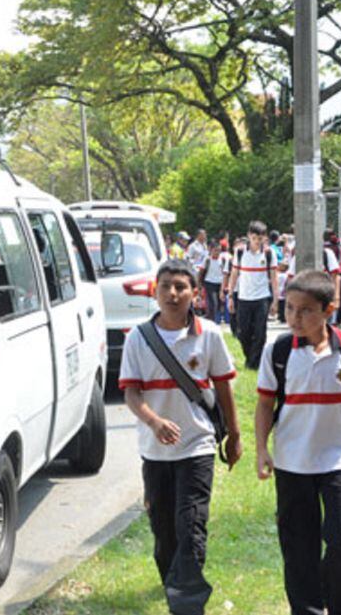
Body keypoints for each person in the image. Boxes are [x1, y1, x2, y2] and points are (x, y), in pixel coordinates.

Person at [119, 258, 241, 615]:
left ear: (195, 293)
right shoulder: (137, 339)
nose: (173, 294)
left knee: (191, 526)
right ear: (154, 292)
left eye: (181, 287)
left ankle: (187, 605)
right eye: (165, 287)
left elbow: (224, 388)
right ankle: (175, 585)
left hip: (197, 446)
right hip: (154, 452)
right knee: (164, 533)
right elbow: (131, 393)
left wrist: (234, 435)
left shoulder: (210, 336)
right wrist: (154, 422)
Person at [256, 270, 341, 615]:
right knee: (299, 546)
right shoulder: (278, 350)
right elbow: (265, 403)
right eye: (289, 308)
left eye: (305, 310)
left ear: (329, 310)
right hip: (291, 459)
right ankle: (307, 609)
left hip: (339, 456)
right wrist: (261, 449)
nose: (295, 317)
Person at [228, 221, 279, 369]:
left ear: (264, 238)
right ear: (249, 236)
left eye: (260, 238)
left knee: (260, 333)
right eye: (254, 238)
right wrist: (230, 296)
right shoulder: (240, 252)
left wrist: (275, 300)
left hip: (262, 298)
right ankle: (250, 357)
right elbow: (234, 275)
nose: (257, 242)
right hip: (243, 298)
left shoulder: (269, 254)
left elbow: (274, 278)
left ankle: (254, 363)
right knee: (243, 333)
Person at [200, 242, 225, 323]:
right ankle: (211, 321)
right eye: (215, 250)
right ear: (211, 250)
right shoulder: (207, 260)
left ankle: (209, 318)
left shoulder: (222, 260)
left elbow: (225, 273)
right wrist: (199, 285)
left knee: (218, 304)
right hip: (209, 283)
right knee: (213, 303)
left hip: (220, 284)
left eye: (219, 250)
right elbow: (201, 272)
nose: (217, 253)